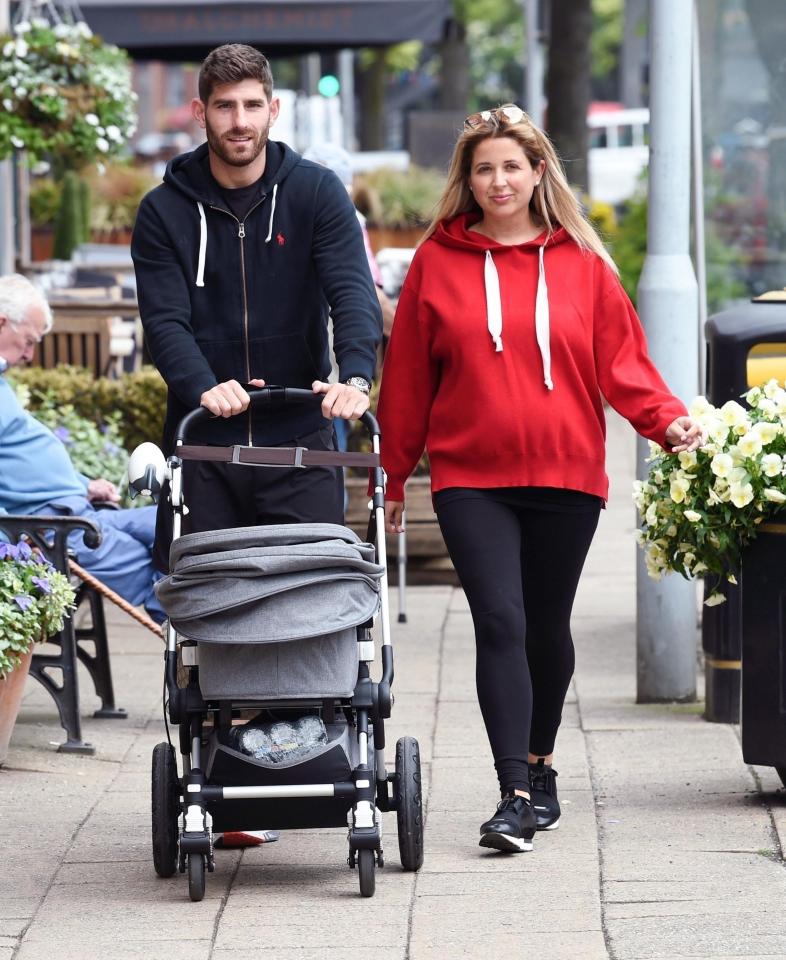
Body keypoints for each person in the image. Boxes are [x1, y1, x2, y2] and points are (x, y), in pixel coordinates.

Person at [376, 104, 705, 854]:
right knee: (499, 621)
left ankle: (543, 762)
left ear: (538, 173)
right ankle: (514, 794)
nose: (498, 180)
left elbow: (624, 365)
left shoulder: (583, 263)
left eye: (511, 167)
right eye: (483, 168)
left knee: (546, 629)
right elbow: (405, 384)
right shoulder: (436, 261)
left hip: (565, 473)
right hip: (470, 477)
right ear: (467, 178)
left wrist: (668, 420)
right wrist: (393, 476)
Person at [131, 44, 382, 570]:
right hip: (204, 439)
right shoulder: (162, 211)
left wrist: (356, 379)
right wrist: (203, 384)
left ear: (273, 109)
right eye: (224, 106)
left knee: (312, 600)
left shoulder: (316, 193)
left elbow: (352, 294)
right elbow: (164, 322)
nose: (238, 121)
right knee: (206, 611)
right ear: (201, 113)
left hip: (299, 437)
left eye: (250, 105)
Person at [0, 274, 165, 624]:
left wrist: (82, 482)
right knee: (171, 575)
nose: (30, 355)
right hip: (58, 531)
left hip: (80, 512)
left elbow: (19, 457)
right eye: (28, 341)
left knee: (185, 524)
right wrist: (9, 538)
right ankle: (190, 661)